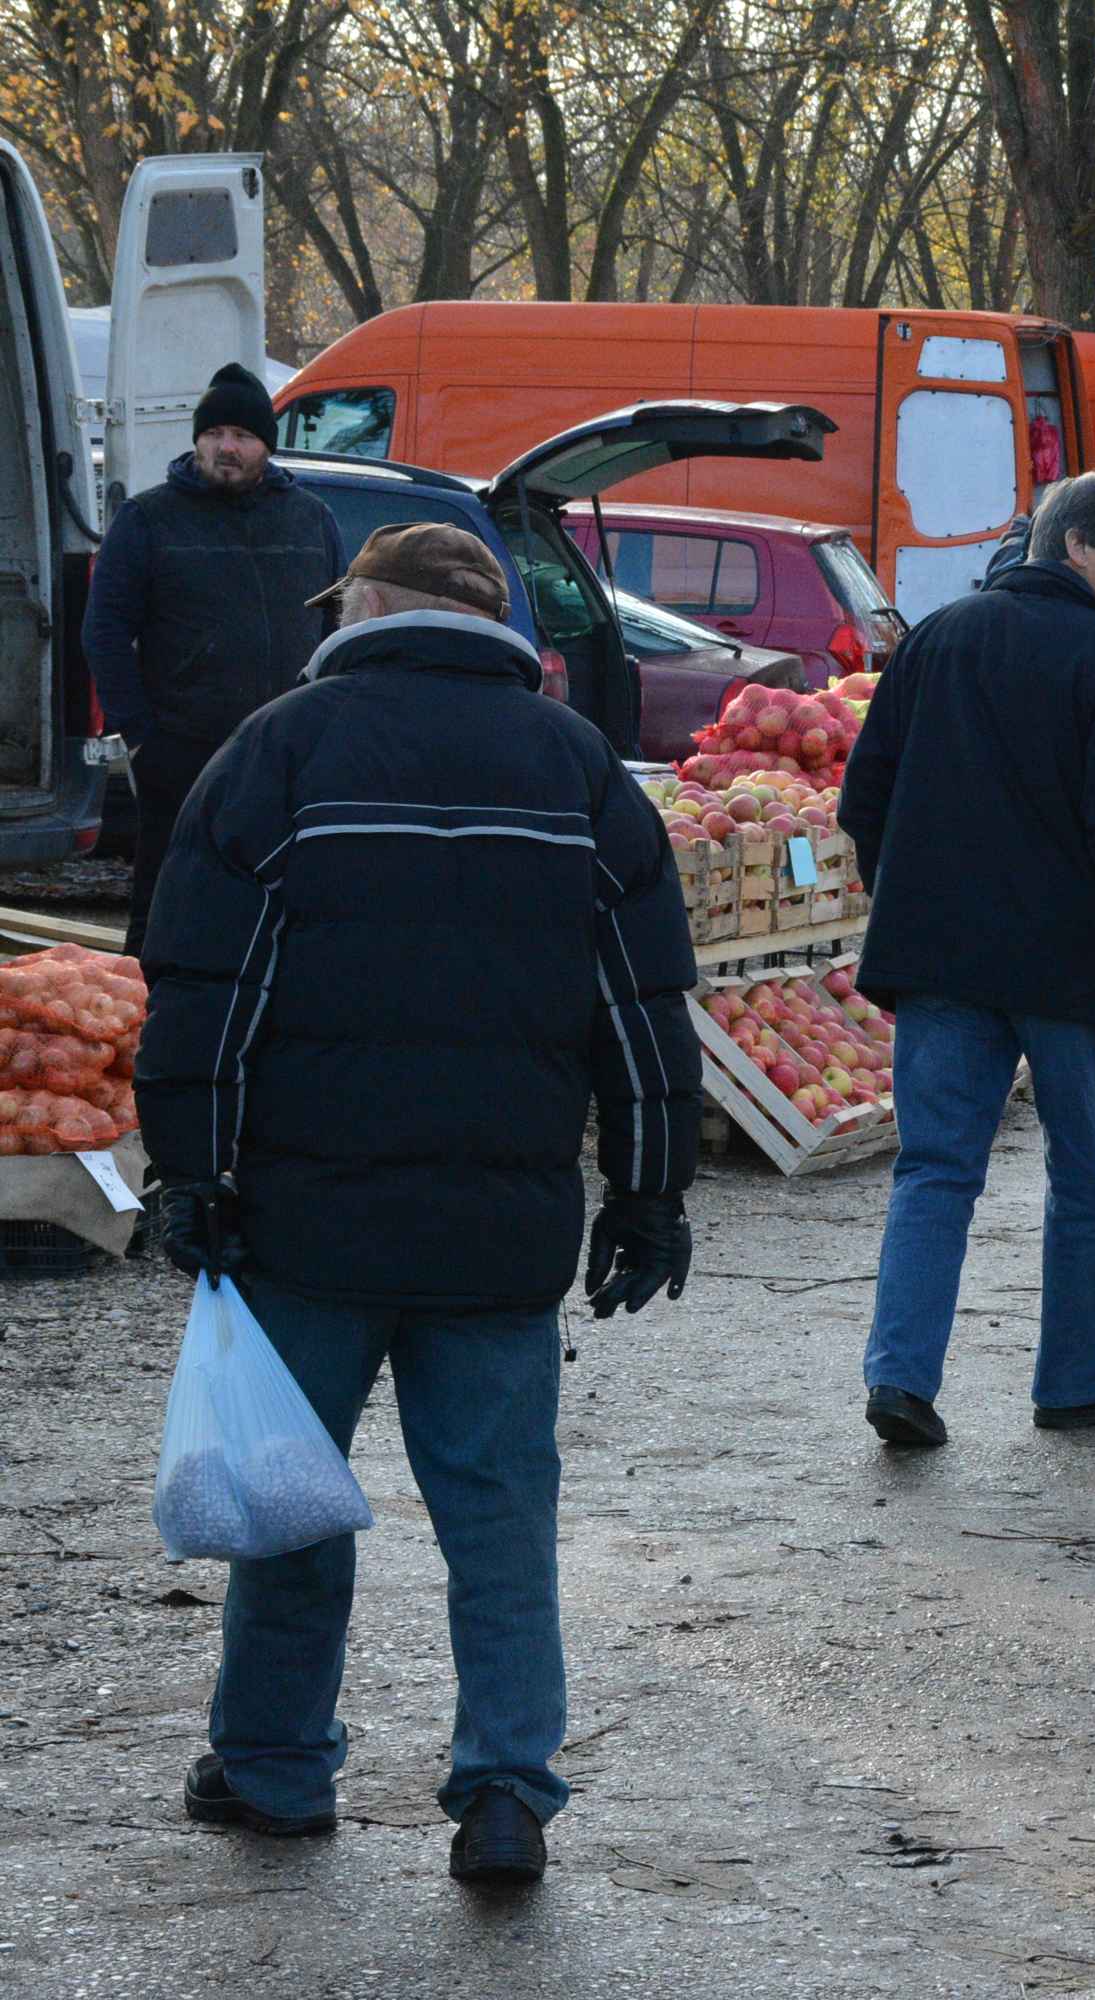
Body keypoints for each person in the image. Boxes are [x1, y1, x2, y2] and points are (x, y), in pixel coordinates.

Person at [138, 521, 699, 1886]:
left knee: (290, 1498)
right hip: (499, 1236)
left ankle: (274, 1769)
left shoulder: (278, 751)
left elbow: (204, 996)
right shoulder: (580, 772)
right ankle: (506, 1788)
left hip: (301, 1222)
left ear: (374, 605)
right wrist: (649, 1191)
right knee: (499, 1519)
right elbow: (645, 1011)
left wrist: (193, 1171)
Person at [843, 472, 1095, 1448]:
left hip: (943, 956)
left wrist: (912, 896)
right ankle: (1072, 1381)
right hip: (1074, 970)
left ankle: (900, 1376)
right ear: (1074, 546)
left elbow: (865, 796)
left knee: (934, 1169)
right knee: (1085, 1175)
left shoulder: (939, 638)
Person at [82, 363, 345, 954]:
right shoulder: (148, 519)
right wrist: (140, 736)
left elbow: (337, 623)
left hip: (288, 750)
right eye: (215, 433)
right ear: (197, 438)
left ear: (266, 447)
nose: (227, 447)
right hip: (181, 749)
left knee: (283, 900)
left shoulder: (311, 518)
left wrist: (327, 725)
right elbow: (104, 632)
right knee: (168, 900)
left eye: (244, 436)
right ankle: (142, 1023)